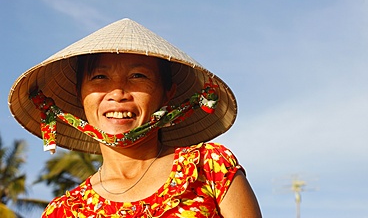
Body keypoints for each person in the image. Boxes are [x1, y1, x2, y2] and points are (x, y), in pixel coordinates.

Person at [8, 18, 262, 217]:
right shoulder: (64, 212)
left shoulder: (209, 167)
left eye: (138, 76)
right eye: (100, 78)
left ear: (167, 94)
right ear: (80, 95)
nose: (117, 93)